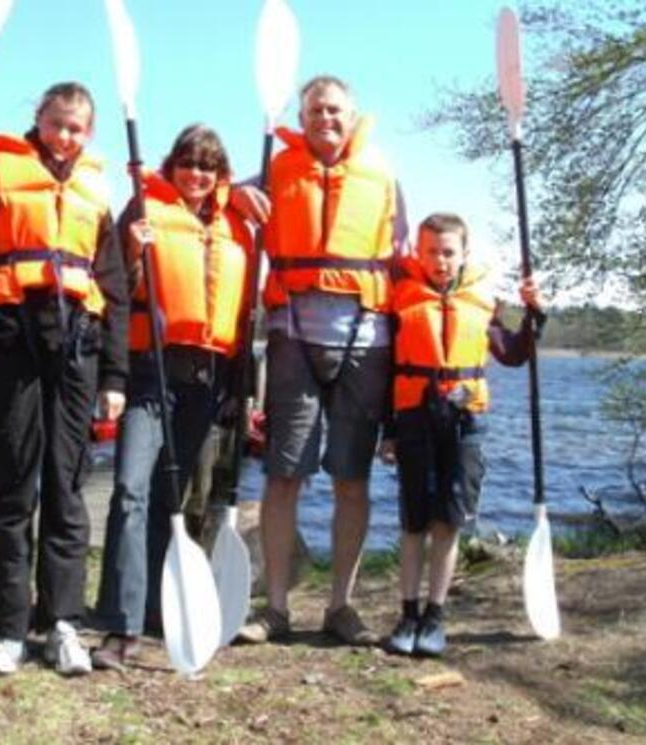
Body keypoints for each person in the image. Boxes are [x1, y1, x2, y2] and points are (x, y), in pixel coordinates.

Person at [0, 82, 128, 677]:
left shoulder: (96, 191)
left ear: (88, 134)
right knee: (13, 483)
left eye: (77, 128)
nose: (66, 135)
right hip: (13, 340)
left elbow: (115, 290)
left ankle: (62, 623)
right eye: (57, 123)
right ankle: (11, 627)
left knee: (67, 488)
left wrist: (115, 376)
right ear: (38, 120)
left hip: (76, 350)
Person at [234, 75, 406, 646]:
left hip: (367, 342)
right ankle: (275, 608)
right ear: (300, 116)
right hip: (292, 339)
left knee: (351, 479)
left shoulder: (383, 175)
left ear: (352, 115)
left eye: (334, 110)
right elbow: (229, 199)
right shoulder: (277, 168)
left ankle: (341, 606)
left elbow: (405, 259)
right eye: (313, 111)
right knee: (284, 476)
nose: (324, 119)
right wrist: (236, 192)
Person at [91, 125, 256, 670]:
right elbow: (114, 287)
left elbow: (245, 313)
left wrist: (240, 390)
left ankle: (163, 608)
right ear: (172, 166)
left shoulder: (237, 224)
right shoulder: (143, 211)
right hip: (149, 371)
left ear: (220, 174)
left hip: (206, 378)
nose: (196, 176)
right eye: (187, 164)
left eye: (207, 167)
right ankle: (121, 622)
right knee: (129, 491)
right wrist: (134, 251)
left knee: (176, 495)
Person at [380, 212, 544, 657]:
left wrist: (535, 314)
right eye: (430, 251)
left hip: (464, 419)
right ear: (419, 252)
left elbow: (513, 354)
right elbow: (387, 369)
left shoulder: (482, 301)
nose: (439, 261)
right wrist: (387, 432)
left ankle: (435, 615)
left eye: (448, 252)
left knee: (447, 521)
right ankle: (408, 614)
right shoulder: (401, 298)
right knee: (413, 521)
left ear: (464, 254)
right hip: (414, 417)